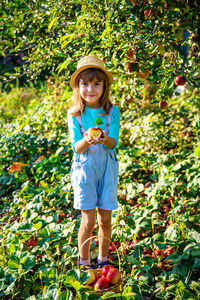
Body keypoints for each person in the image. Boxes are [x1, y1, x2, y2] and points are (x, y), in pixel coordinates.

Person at [67, 55, 120, 269]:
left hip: (107, 170)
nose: (91, 89)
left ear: (104, 86)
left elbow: (113, 143)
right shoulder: (75, 115)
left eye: (96, 83)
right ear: (78, 86)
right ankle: (84, 262)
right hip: (85, 171)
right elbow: (76, 148)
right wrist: (87, 139)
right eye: (85, 83)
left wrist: (103, 138)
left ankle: (103, 260)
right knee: (88, 222)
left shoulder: (112, 111)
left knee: (105, 220)